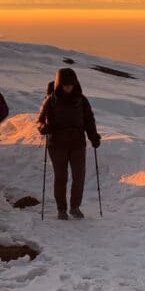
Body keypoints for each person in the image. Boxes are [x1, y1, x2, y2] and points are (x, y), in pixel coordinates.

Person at [37, 68, 101, 220]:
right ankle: (61, 209)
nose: (68, 87)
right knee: (61, 177)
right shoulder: (50, 100)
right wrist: (43, 128)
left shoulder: (81, 100)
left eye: (70, 84)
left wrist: (94, 137)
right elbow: (39, 121)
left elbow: (89, 120)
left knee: (79, 177)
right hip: (57, 144)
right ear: (59, 84)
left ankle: (75, 207)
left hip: (77, 143)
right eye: (65, 85)